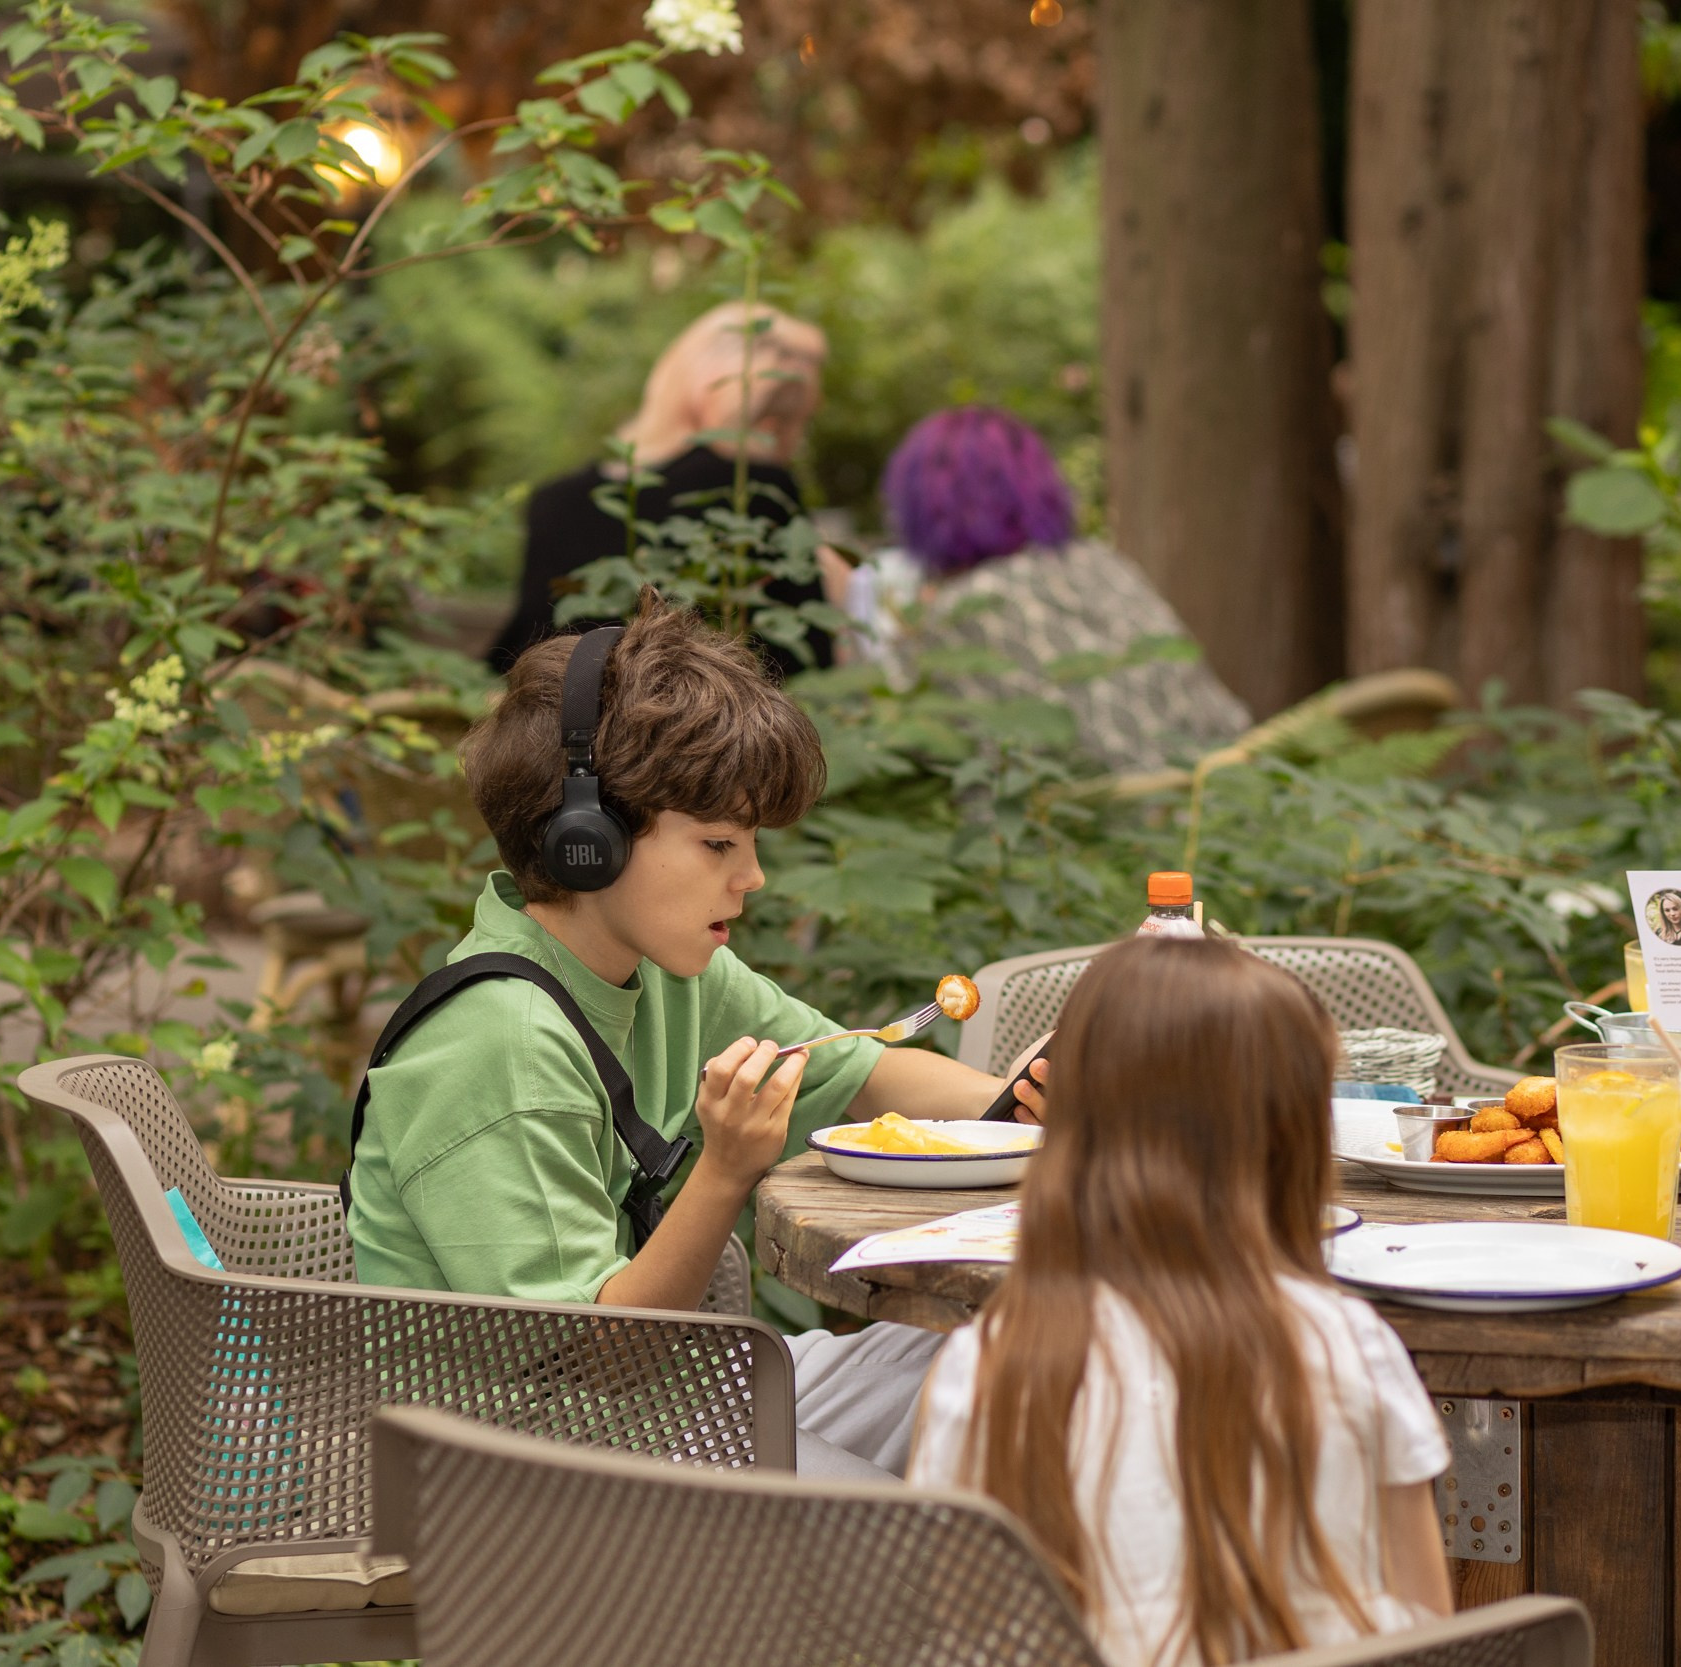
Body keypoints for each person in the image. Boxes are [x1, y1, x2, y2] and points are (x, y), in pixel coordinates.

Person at [348, 595, 1047, 1477]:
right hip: (526, 1474)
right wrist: (724, 1170)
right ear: (586, 841)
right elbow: (599, 1357)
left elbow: (864, 1073)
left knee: (1002, 1362)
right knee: (933, 1522)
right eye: (718, 844)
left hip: (658, 1405)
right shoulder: (500, 1045)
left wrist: (1029, 1096)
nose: (752, 876)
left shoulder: (672, 973)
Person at [908, 936, 1452, 1666]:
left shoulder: (985, 1360)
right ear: (1293, 1142)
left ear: (1072, 1130)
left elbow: (957, 1631)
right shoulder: (1348, 1342)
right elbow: (1431, 1629)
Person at [839, 406, 1250, 774]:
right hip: (1221, 788)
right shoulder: (1100, 562)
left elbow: (897, 734)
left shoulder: (965, 610)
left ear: (921, 504)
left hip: (1102, 821)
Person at [488, 303, 835, 676]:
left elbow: (524, 646)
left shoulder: (554, 501)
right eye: (782, 420)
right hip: (698, 712)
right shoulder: (758, 489)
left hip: (566, 707)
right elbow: (806, 664)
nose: (790, 441)